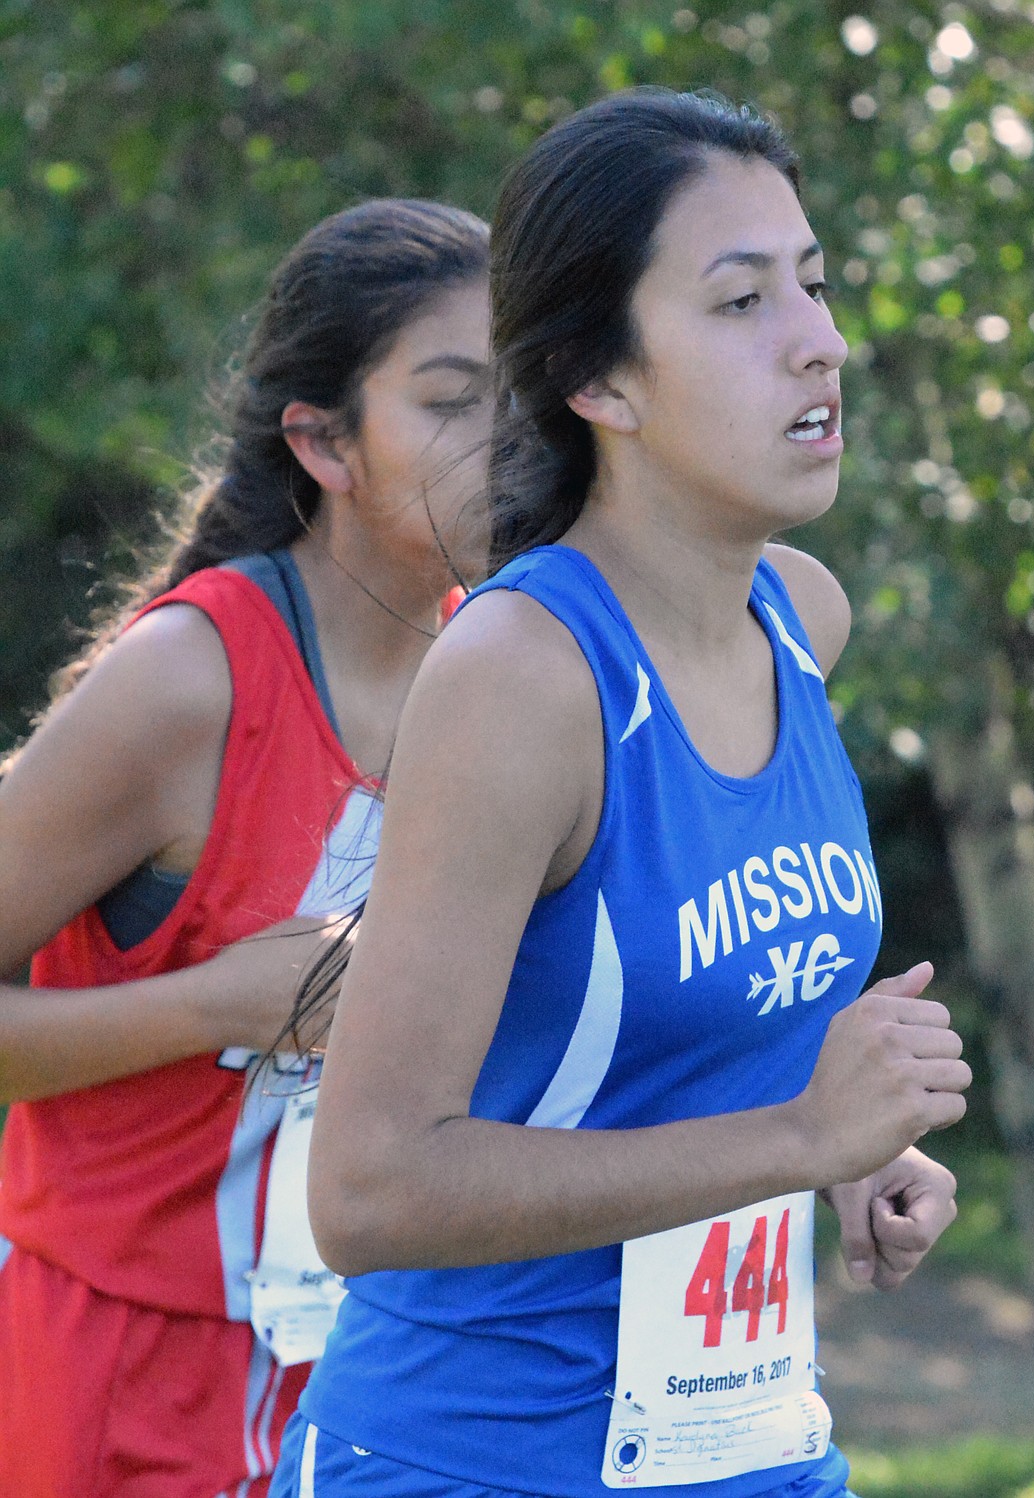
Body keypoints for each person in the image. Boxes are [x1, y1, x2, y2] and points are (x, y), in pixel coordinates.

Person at [272, 89, 971, 1498]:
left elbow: (664, 1044)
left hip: (755, 1447)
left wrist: (841, 1151)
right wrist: (790, 1136)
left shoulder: (801, 619)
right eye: (737, 300)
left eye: (814, 285)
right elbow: (365, 1190)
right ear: (600, 379)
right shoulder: (524, 677)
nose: (818, 340)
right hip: (477, 1461)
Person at [0, 198, 491, 1497]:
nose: (513, 445)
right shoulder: (186, 680)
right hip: (124, 1370)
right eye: (454, 403)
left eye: (531, 397)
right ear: (324, 443)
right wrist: (209, 1004)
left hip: (376, 1365)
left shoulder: (509, 670)